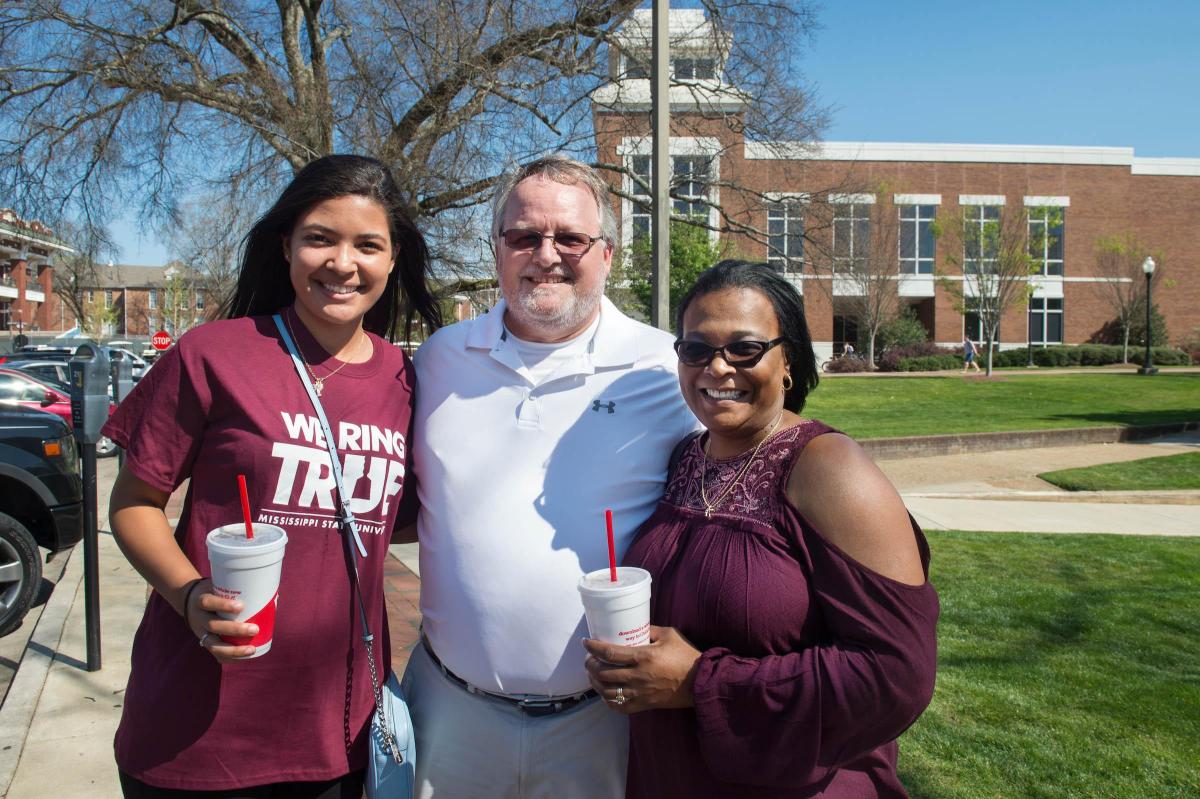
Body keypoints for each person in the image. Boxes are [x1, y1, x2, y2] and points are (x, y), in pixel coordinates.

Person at [103, 155, 442, 797]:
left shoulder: (407, 380)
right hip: (195, 732)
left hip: (337, 737)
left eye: (368, 245)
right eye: (320, 238)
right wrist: (188, 595)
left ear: (393, 259)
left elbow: (394, 522)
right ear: (286, 246)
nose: (343, 263)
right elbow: (133, 502)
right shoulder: (214, 354)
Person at [584, 260, 939, 797]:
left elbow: (896, 675)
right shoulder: (686, 459)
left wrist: (700, 682)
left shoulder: (828, 468)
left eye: (744, 348)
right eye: (696, 349)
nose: (717, 368)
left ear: (789, 358)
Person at [403, 155, 697, 797]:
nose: (546, 254)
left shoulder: (663, 370)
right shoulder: (439, 360)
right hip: (450, 711)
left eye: (570, 237)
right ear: (498, 249)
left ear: (608, 254)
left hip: (604, 722)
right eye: (524, 236)